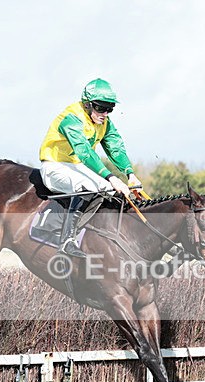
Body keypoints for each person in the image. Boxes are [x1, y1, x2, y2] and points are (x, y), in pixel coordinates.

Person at [39, 78, 142, 258]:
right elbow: (85, 152)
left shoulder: (105, 122)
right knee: (87, 188)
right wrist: (112, 177)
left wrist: (130, 174)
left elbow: (116, 148)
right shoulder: (71, 118)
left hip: (77, 167)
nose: (105, 113)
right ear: (87, 104)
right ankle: (67, 241)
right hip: (54, 165)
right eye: (100, 108)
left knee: (114, 193)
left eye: (109, 108)